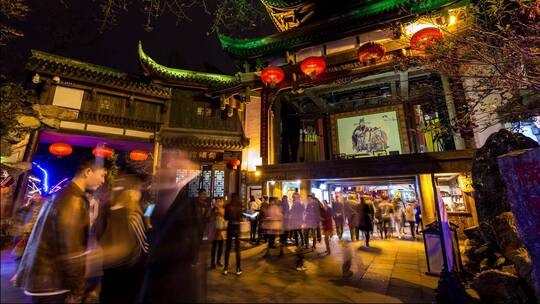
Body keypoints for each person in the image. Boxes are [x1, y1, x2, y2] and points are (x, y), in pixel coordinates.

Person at [15, 157, 107, 304]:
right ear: (88, 172)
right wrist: (77, 290)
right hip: (54, 282)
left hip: (43, 280)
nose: (103, 181)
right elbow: (71, 249)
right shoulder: (73, 199)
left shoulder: (61, 194)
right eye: (102, 175)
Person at [138, 150, 207, 303]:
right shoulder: (158, 195)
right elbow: (150, 213)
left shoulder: (189, 199)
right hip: (157, 278)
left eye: (171, 159)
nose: (164, 165)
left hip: (176, 281)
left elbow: (193, 242)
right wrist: (147, 223)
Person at [99, 168, 149, 304]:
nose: (139, 193)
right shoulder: (135, 214)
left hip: (109, 275)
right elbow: (144, 248)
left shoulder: (108, 212)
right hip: (129, 278)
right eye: (138, 190)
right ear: (131, 193)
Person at [223, 193, 244, 275]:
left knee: (228, 248)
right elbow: (241, 217)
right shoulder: (240, 206)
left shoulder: (228, 206)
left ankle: (226, 268)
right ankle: (238, 268)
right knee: (238, 249)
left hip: (230, 226)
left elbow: (225, 217)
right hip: (237, 227)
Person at [210, 198, 227, 269]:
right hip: (215, 230)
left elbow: (225, 216)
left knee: (220, 246)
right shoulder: (214, 209)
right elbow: (210, 217)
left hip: (222, 230)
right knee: (214, 246)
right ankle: (212, 262)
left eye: (221, 201)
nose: (220, 202)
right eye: (219, 201)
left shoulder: (224, 209)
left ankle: (218, 260)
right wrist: (215, 211)